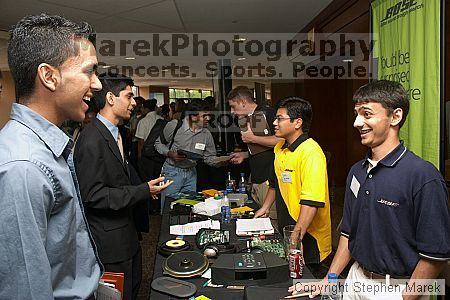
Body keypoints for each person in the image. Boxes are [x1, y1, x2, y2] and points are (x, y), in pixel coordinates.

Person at [290, 80, 450, 299]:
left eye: (366, 114)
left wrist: (407, 297)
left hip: (395, 289)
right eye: (356, 114)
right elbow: (348, 233)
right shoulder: (357, 171)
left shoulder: (423, 176)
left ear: (396, 116)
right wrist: (329, 280)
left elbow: (436, 254)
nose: (357, 122)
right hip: (356, 280)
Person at [0, 14, 102, 299]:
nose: (97, 85)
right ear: (49, 76)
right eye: (88, 72)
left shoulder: (42, 148)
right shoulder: (24, 167)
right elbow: (26, 290)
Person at [74, 72, 172, 300]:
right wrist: (143, 190)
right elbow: (94, 195)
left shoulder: (114, 132)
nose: (134, 102)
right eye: (129, 96)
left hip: (126, 231)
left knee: (133, 287)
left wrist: (147, 188)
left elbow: (122, 174)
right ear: (110, 98)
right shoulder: (92, 139)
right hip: (110, 241)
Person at [254, 96, 332, 278]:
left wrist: (297, 236)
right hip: (288, 229)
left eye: (279, 119)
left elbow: (311, 201)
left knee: (307, 280)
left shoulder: (311, 153)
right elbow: (275, 183)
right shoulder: (280, 148)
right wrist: (264, 208)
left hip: (308, 236)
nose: (274, 123)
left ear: (297, 122)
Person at [155, 99, 229, 210]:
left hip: (191, 174)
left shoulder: (206, 134)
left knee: (189, 208)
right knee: (168, 208)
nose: (208, 119)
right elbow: (158, 143)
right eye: (204, 116)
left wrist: (227, 160)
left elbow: (209, 159)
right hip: (172, 172)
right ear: (193, 117)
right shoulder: (175, 126)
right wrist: (170, 153)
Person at [228, 86, 282, 223]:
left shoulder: (267, 113)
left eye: (233, 106)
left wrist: (253, 139)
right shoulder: (246, 119)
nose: (231, 112)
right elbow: (262, 147)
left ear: (243, 102)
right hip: (257, 178)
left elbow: (282, 141)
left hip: (269, 178)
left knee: (270, 220)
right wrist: (245, 155)